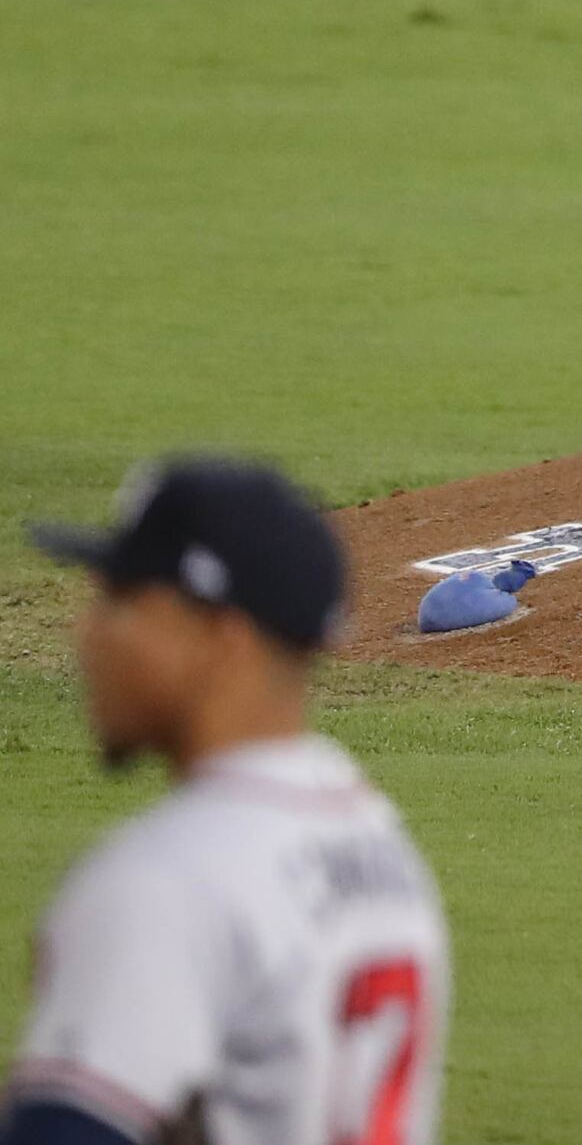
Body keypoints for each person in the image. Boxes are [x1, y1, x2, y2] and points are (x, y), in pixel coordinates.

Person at [11, 459, 452, 1145]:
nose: (89, 633)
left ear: (223, 638)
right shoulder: (378, 845)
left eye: (122, 599)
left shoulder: (166, 880)